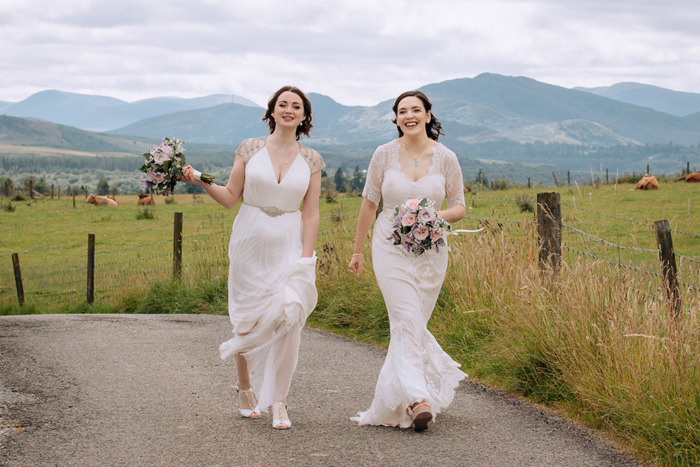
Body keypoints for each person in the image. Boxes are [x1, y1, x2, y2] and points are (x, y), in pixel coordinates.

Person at [181, 86, 324, 430]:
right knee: (247, 319)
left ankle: (279, 401)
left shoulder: (313, 160)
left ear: (304, 116)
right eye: (282, 104)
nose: (288, 110)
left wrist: (306, 258)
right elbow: (231, 197)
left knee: (290, 315)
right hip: (249, 240)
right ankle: (245, 387)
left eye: (296, 106)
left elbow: (311, 214)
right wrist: (198, 180)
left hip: (290, 244)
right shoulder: (249, 148)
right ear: (271, 111)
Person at [348, 90, 467, 431]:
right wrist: (357, 251)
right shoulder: (383, 155)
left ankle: (399, 399)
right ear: (396, 118)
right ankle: (418, 399)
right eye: (402, 111)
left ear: (428, 115)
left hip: (431, 252)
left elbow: (459, 205)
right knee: (404, 316)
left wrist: (433, 216)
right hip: (389, 247)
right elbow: (369, 205)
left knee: (411, 325)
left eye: (416, 110)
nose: (409, 115)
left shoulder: (447, 158)